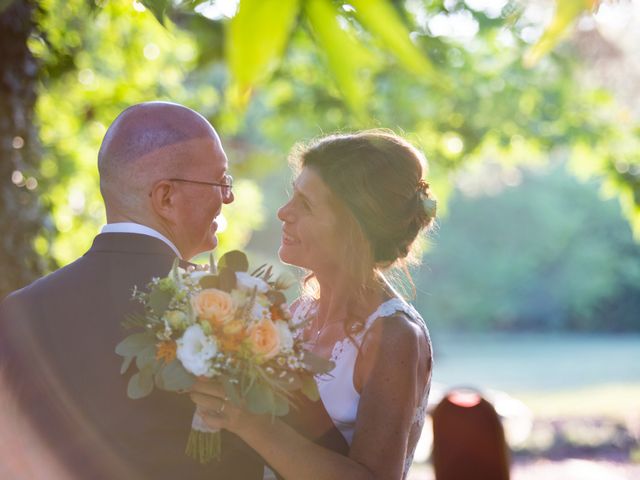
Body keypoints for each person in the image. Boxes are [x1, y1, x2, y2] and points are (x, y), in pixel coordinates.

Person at [0, 101, 265, 479]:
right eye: (221, 181)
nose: (229, 197)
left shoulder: (19, 311)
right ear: (166, 198)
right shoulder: (228, 308)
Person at [190, 131, 437, 479]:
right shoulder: (295, 316)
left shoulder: (394, 336)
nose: (283, 212)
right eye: (292, 196)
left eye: (305, 204)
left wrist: (248, 421)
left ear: (353, 226)